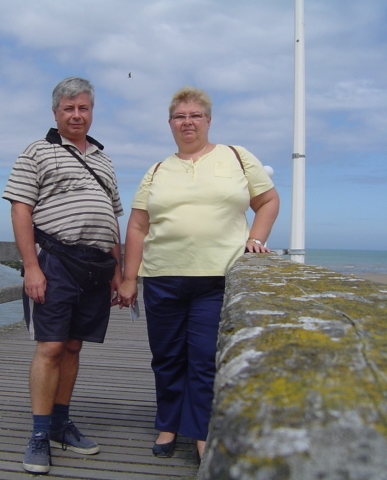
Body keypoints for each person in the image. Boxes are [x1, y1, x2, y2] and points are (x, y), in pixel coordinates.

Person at [117, 86, 279, 461]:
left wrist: (256, 239)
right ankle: (169, 424)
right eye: (180, 116)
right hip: (163, 277)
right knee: (167, 356)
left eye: (195, 115)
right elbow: (137, 226)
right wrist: (128, 278)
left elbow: (268, 200)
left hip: (218, 278)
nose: (187, 122)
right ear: (170, 123)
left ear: (208, 120)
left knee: (205, 357)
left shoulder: (236, 157)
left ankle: (201, 431)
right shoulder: (157, 170)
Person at [2, 77, 124, 474]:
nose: (76, 115)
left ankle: (60, 424)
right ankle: (39, 434)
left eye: (83, 108)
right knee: (51, 347)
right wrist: (31, 267)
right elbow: (20, 209)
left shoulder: (104, 160)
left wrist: (118, 270)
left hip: (96, 266)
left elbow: (113, 220)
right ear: (55, 113)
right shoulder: (37, 151)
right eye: (68, 108)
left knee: (73, 346)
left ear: (92, 112)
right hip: (55, 259)